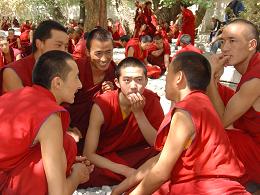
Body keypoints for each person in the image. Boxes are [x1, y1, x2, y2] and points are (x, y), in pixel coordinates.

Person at [112, 51, 249, 195]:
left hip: (204, 188)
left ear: (179, 78)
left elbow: (161, 172)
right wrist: (118, 189)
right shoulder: (202, 102)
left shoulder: (184, 112)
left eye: (168, 76)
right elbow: (158, 160)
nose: (165, 81)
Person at [0, 50, 93, 195]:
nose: (80, 85)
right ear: (57, 82)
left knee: (65, 144)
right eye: (75, 77)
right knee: (67, 145)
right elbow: (57, 193)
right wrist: (77, 175)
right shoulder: (49, 116)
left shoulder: (17, 95)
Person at [83, 57, 164, 187]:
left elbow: (158, 144)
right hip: (108, 158)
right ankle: (139, 175)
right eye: (127, 80)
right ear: (117, 82)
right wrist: (126, 170)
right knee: (87, 173)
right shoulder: (103, 104)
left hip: (136, 154)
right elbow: (88, 153)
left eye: (139, 80)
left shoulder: (152, 100)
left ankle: (138, 175)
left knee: (163, 156)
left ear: (146, 81)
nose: (133, 86)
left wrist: (139, 113)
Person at [207, 19, 260, 191]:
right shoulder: (252, 68)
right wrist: (214, 80)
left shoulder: (255, 80)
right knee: (220, 91)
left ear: (252, 45)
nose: (224, 48)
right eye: (223, 41)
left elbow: (222, 123)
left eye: (232, 41)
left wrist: (210, 79)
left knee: (213, 135)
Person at [67, 27, 116, 154]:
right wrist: (67, 127)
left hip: (98, 131)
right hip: (71, 129)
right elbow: (57, 100)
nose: (104, 59)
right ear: (88, 52)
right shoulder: (76, 69)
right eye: (98, 53)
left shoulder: (113, 70)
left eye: (109, 52)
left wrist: (111, 94)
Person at [0, 20, 68, 94]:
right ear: (39, 44)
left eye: (66, 46)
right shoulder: (13, 73)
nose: (64, 51)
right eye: (58, 45)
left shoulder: (61, 69)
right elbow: (25, 104)